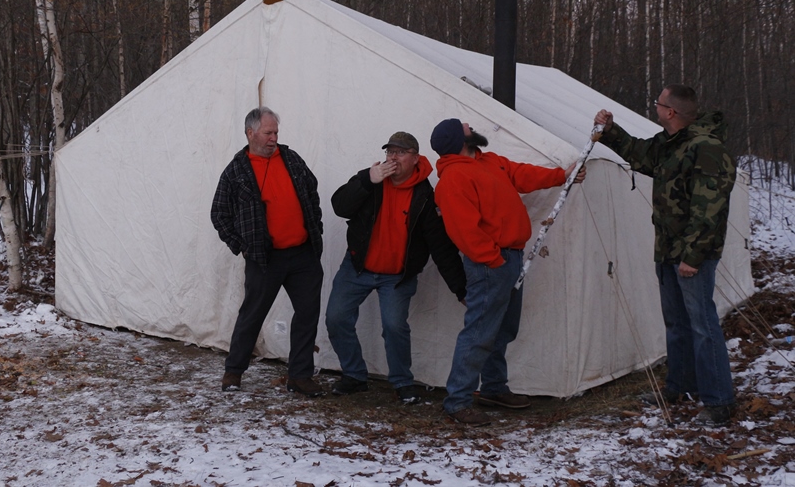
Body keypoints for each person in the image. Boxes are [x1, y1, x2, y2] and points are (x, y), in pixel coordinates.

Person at [594, 84, 737, 427]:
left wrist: (693, 256)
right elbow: (641, 154)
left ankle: (719, 402)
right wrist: (611, 131)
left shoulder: (707, 149)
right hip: (668, 250)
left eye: (658, 103)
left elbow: (709, 209)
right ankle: (681, 386)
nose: (655, 107)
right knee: (677, 323)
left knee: (702, 325)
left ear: (671, 112)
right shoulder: (670, 144)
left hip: (691, 255)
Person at [430, 118, 585, 426]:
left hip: (510, 259)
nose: (470, 125)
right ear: (457, 140)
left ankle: (494, 388)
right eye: (464, 127)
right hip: (491, 263)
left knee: (503, 329)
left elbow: (520, 174)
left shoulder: (490, 162)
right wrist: (493, 260)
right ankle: (458, 401)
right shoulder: (454, 178)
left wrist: (561, 176)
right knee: (478, 332)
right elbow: (463, 230)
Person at [325, 132, 467, 404]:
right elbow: (339, 206)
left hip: (397, 276)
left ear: (415, 159)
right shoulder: (371, 180)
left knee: (394, 326)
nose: (393, 158)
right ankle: (355, 375)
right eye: (390, 152)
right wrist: (367, 180)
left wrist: (460, 288)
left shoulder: (425, 196)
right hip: (358, 268)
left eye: (400, 153)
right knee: (336, 317)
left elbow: (441, 247)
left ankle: (402, 381)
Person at [210, 107, 325, 397]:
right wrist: (242, 246)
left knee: (308, 314)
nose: (274, 138)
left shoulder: (291, 159)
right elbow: (219, 214)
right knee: (252, 315)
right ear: (250, 133)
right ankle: (233, 371)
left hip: (302, 254)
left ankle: (300, 376)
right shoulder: (236, 170)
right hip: (264, 258)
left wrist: (316, 227)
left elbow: (311, 191)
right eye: (268, 133)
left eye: (276, 132)